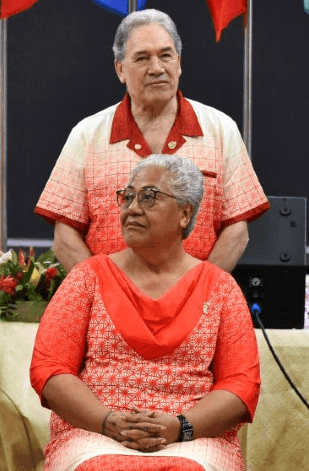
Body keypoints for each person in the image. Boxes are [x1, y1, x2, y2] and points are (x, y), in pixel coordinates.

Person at [31, 154, 260, 471]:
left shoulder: (220, 287)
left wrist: (181, 427)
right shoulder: (87, 278)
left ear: (184, 213)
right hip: (95, 433)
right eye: (127, 197)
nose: (132, 208)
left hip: (192, 440)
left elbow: (241, 384)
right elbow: (50, 369)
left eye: (149, 197)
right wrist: (108, 421)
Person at [35, 9, 268, 274]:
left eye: (166, 55)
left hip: (196, 305)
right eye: (142, 58)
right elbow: (65, 236)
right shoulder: (86, 135)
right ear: (120, 69)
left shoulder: (221, 130)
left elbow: (237, 230)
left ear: (179, 63)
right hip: (110, 307)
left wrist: (200, 293)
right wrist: (104, 296)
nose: (156, 69)